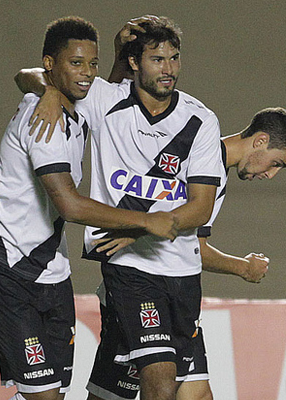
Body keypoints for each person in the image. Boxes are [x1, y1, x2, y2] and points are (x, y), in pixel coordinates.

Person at [0, 17, 180, 400]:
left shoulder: (74, 105)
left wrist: (113, 58)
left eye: (92, 64)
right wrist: (148, 222)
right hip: (4, 268)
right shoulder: (42, 121)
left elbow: (94, 94)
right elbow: (70, 204)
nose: (87, 74)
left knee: (53, 394)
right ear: (51, 65)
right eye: (76, 63)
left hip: (50, 273)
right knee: (43, 396)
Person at [15, 16, 224, 400]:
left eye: (174, 59)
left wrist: (141, 227)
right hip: (131, 271)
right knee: (159, 376)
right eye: (158, 59)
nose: (169, 69)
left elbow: (201, 208)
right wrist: (46, 92)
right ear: (133, 63)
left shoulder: (200, 120)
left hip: (182, 271)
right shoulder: (105, 100)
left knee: (164, 389)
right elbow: (28, 73)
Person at [88, 107, 286, 400]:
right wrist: (243, 268)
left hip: (176, 292)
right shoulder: (198, 158)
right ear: (260, 141)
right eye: (275, 162)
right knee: (142, 388)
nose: (271, 174)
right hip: (140, 285)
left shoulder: (214, 168)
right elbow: (184, 240)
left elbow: (189, 245)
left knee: (196, 394)